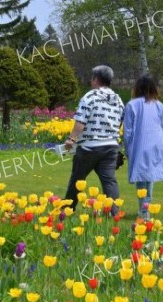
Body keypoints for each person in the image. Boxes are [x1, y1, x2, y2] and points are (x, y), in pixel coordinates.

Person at [64, 65, 125, 213]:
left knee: (77, 179)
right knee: (109, 181)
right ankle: (114, 212)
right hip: (111, 146)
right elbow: (120, 121)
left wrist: (71, 139)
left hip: (89, 147)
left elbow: (80, 121)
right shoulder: (118, 99)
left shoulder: (90, 97)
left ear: (95, 79)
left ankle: (67, 209)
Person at [123, 74, 163, 220]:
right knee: (149, 176)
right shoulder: (158, 105)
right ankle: (146, 207)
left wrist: (127, 148)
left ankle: (144, 209)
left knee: (140, 178)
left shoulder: (132, 105)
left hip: (139, 146)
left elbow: (128, 131)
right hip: (156, 144)